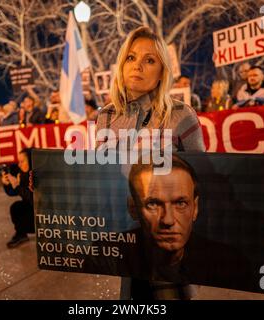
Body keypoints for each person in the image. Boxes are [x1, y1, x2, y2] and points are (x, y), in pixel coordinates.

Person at [95, 26, 205, 300]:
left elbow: (204, 177)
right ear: (121, 65)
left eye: (150, 60)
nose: (138, 66)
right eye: (131, 58)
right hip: (126, 241)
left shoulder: (181, 115)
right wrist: (44, 185)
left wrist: (262, 194)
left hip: (167, 252)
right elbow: (96, 175)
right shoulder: (105, 118)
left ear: (162, 72)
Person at [126, 155, 254, 298]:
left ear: (196, 208)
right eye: (153, 204)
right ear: (132, 208)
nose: (168, 220)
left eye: (180, 204)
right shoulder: (108, 255)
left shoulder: (231, 263)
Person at [2, 149, 35, 248]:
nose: (19, 165)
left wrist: (17, 185)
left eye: (22, 161)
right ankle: (21, 234)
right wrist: (7, 184)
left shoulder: (36, 174)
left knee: (20, 208)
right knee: (16, 208)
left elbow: (33, 199)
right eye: (18, 161)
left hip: (43, 212)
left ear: (30, 161)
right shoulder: (22, 173)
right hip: (31, 209)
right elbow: (13, 193)